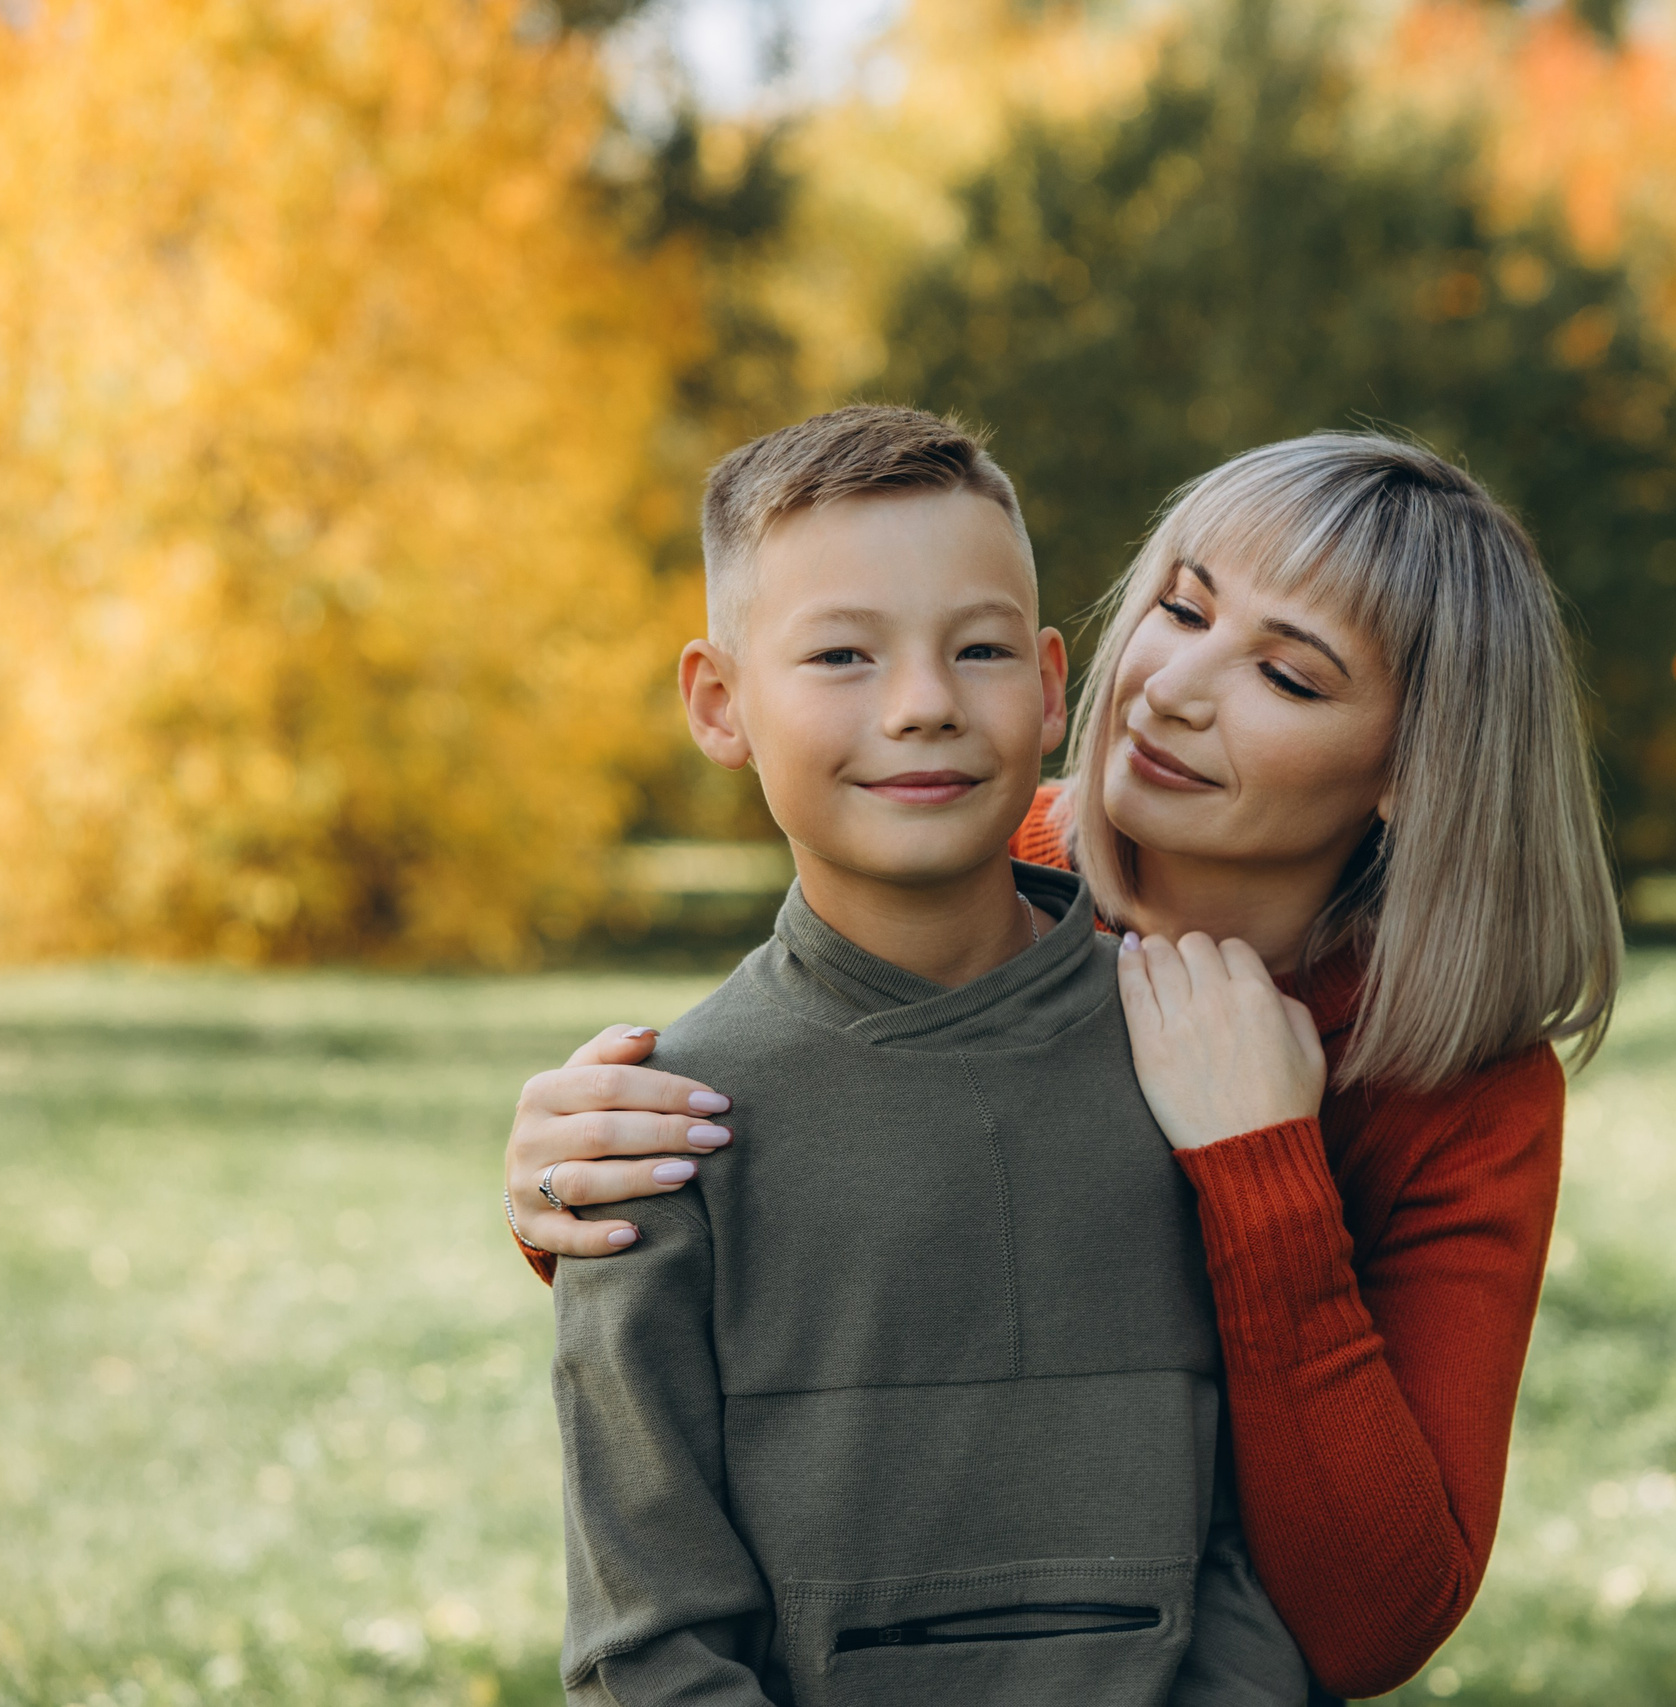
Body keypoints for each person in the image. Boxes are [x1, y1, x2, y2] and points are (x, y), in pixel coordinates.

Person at [508, 431, 1622, 1700]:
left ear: (1415, 774)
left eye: (1288, 678)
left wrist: (1261, 1176)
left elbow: (1369, 1624)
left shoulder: (1457, 1085)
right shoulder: (980, 852)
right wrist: (573, 1192)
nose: (1171, 690)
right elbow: (822, 1147)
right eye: (1181, 608)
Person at [548, 404, 1304, 1706]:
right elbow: (647, 1642)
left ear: (1056, 685)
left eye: (981, 648)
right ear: (721, 704)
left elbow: (1275, 1550)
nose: (922, 705)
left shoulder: (1209, 1053)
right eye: (842, 653)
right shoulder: (659, 1132)